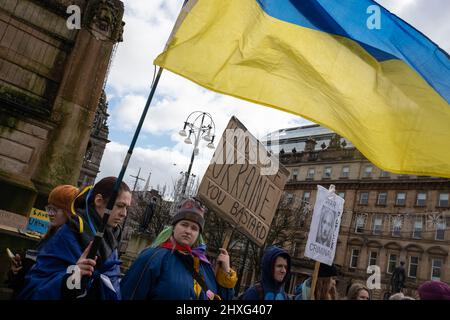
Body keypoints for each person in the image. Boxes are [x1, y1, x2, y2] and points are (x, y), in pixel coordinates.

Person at [18, 177, 132, 300]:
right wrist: (72, 278)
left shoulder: (111, 241)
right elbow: (35, 287)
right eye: (120, 206)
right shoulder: (70, 233)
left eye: (127, 208)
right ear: (99, 200)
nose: (124, 213)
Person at [120, 198, 237, 300]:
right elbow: (129, 294)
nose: (188, 231)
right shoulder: (152, 257)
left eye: (194, 228)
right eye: (184, 224)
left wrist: (226, 270)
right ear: (174, 227)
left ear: (198, 234)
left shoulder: (204, 265)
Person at [6, 185, 79, 299]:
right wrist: (18, 270)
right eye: (49, 208)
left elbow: (69, 286)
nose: (49, 213)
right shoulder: (50, 235)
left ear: (69, 212)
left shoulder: (71, 244)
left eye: (55, 209)